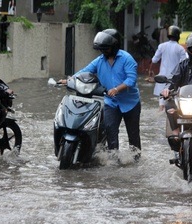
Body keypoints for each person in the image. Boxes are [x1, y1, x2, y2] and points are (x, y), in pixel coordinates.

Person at [58, 28, 142, 160]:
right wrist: (69, 79)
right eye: (102, 49)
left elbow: (131, 80)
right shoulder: (99, 60)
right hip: (111, 102)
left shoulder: (127, 59)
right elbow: (85, 71)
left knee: (133, 135)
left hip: (130, 103)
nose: (103, 52)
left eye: (106, 49)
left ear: (114, 47)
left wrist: (116, 89)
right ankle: (113, 160)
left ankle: (136, 160)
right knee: (110, 132)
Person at [148, 25, 188, 111]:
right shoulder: (180, 48)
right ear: (178, 35)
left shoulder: (161, 46)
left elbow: (154, 60)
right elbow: (185, 64)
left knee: (161, 106)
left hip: (162, 78)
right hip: (175, 79)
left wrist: (150, 70)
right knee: (176, 104)